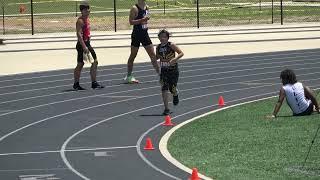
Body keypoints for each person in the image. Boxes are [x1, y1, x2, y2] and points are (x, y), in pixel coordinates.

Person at [124, 0, 159, 84]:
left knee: (152, 55)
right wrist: (142, 20)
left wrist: (145, 20)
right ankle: (129, 76)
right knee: (133, 55)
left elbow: (145, 20)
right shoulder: (134, 8)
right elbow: (131, 22)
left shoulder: (147, 7)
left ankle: (161, 75)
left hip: (145, 34)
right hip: (136, 35)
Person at [73, 1, 104, 90]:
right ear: (82, 11)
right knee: (88, 62)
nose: (88, 11)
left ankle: (86, 83)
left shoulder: (87, 19)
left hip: (87, 43)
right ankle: (81, 83)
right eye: (86, 10)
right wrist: (84, 46)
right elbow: (78, 34)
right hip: (83, 44)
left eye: (88, 10)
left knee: (84, 63)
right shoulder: (80, 21)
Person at [156, 29, 184, 115]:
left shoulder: (171, 45)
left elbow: (181, 53)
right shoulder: (158, 47)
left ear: (167, 38)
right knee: (164, 88)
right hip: (164, 70)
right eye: (161, 37)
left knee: (172, 89)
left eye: (164, 37)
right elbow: (157, 57)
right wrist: (154, 58)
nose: (162, 38)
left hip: (173, 70)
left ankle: (175, 94)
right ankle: (166, 109)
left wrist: (175, 59)